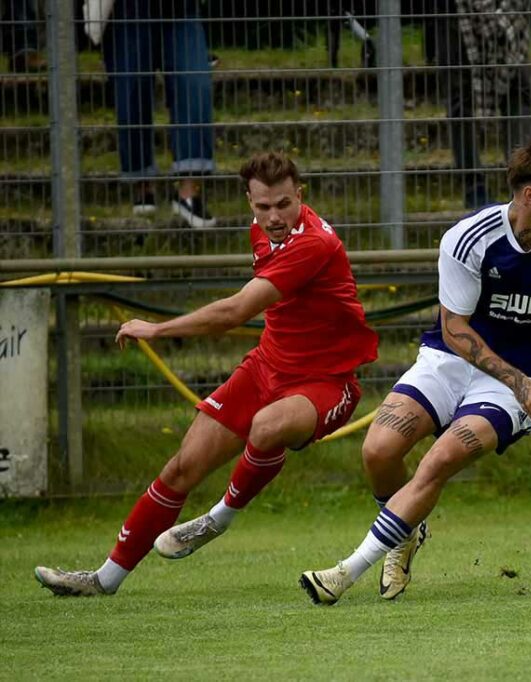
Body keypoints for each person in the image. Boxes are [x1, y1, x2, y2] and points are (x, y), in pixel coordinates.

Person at [34, 152, 379, 597]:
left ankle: (218, 518)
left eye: (283, 204)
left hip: (327, 382)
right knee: (181, 467)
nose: (273, 217)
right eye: (262, 207)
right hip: (267, 366)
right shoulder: (262, 230)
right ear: (249, 202)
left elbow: (234, 311)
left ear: (301, 196)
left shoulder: (314, 243)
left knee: (267, 426)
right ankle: (102, 581)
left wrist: (157, 328)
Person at [298, 138, 531, 604]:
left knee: (439, 460)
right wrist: (520, 382)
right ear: (530, 196)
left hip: (517, 383)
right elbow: (456, 330)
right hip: (451, 360)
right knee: (378, 451)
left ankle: (345, 572)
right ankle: (405, 528)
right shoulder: (469, 239)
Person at [101, 0, 217, 227]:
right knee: (131, 89)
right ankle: (141, 181)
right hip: (127, 9)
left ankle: (188, 192)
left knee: (194, 85)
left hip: (181, 9)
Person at [428, 0, 531, 208]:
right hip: (459, 12)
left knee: (517, 90)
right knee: (460, 97)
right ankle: (474, 189)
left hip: (512, 10)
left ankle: (525, 184)